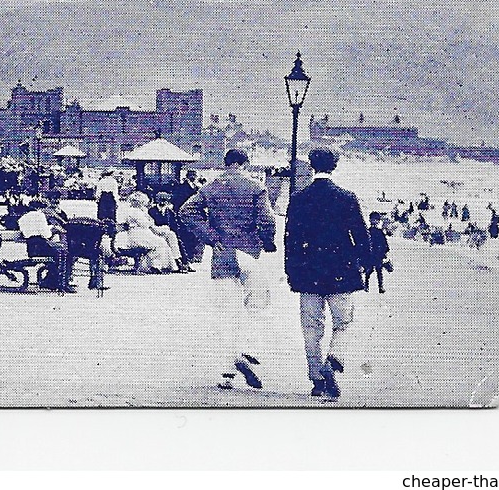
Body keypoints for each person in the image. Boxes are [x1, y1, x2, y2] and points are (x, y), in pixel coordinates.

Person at [178, 149, 278, 391]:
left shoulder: (211, 187)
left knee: (225, 312)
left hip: (222, 254)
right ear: (245, 163)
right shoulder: (256, 187)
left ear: (226, 164)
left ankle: (226, 374)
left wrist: (211, 237)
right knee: (258, 300)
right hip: (248, 251)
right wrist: (268, 241)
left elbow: (186, 212)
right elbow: (267, 220)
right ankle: (247, 348)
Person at [284, 146, 370, 401]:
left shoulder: (299, 197)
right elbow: (361, 236)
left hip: (307, 271)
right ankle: (332, 362)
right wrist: (363, 263)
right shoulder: (346, 197)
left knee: (311, 327)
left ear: (312, 166)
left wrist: (291, 270)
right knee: (343, 322)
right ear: (335, 166)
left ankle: (317, 380)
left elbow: (291, 237)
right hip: (340, 270)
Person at [114, 191, 180, 273]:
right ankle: (155, 265)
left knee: (160, 242)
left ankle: (156, 265)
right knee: (160, 243)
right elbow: (145, 224)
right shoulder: (135, 211)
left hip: (141, 233)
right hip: (139, 234)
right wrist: (149, 221)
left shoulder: (138, 211)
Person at [17, 198, 74, 292]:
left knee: (58, 253)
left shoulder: (23, 218)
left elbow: (27, 232)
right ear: (40, 208)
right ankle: (60, 283)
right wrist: (53, 229)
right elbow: (46, 234)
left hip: (31, 247)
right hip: (41, 245)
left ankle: (50, 280)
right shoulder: (40, 216)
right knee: (65, 254)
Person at [365, 212, 393, 294]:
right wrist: (385, 251)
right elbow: (384, 243)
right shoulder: (377, 232)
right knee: (376, 271)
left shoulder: (369, 232)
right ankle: (379, 287)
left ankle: (368, 286)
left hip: (374, 254)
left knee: (372, 270)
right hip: (376, 254)